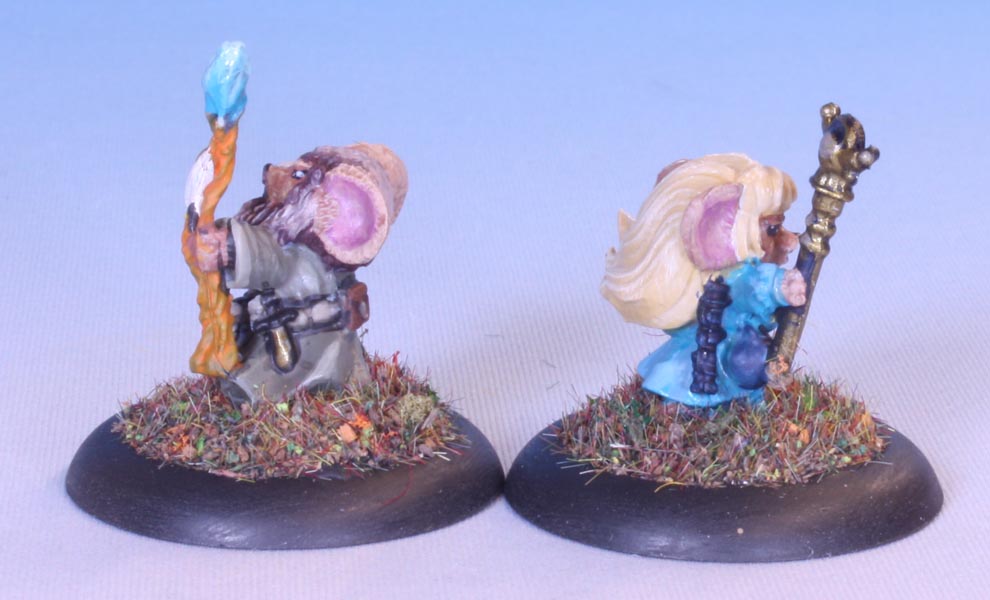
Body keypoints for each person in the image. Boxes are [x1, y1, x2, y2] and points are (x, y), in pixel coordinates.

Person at [190, 143, 407, 404]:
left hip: (303, 343)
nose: (271, 172)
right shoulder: (301, 246)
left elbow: (272, 260)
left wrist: (227, 247)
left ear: (331, 206)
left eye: (298, 176)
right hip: (292, 334)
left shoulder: (305, 257)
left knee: (265, 385)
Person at [601, 154, 806, 407]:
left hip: (728, 344)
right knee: (742, 365)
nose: (791, 241)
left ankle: (742, 403)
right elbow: (749, 288)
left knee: (750, 367)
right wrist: (780, 286)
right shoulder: (735, 276)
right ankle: (697, 408)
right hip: (719, 350)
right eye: (773, 229)